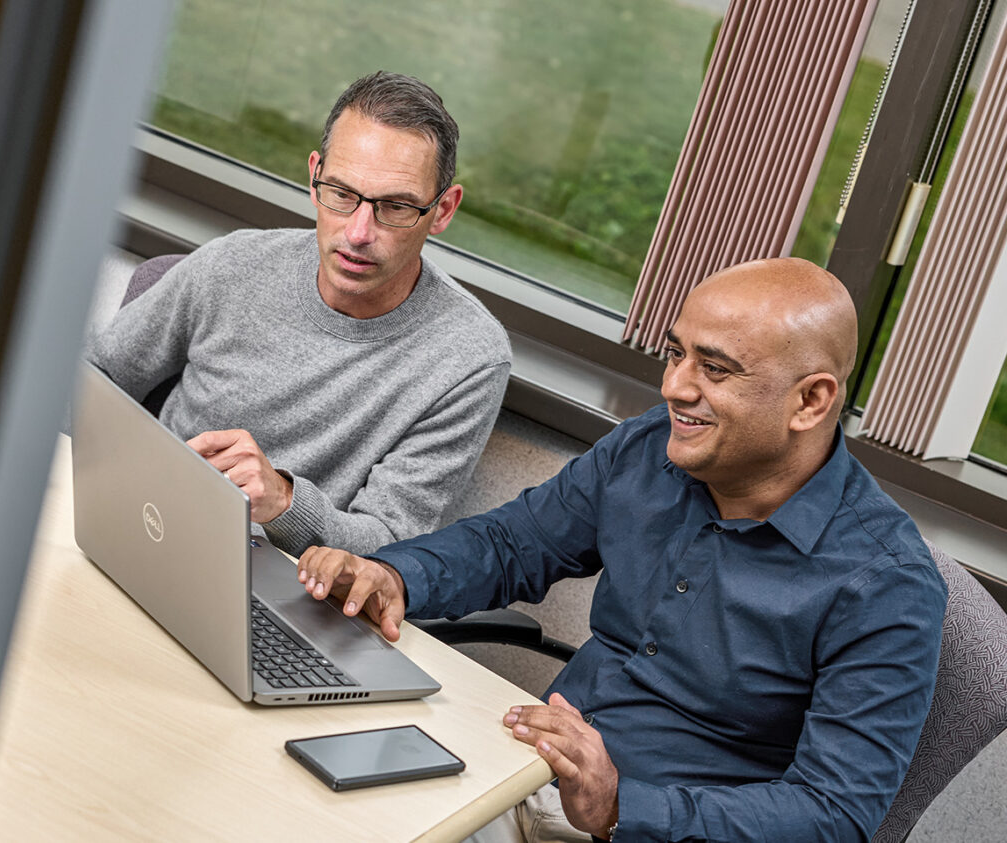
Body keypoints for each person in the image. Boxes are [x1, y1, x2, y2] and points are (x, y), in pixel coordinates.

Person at [295, 257, 947, 842]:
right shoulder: (645, 448)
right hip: (522, 776)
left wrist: (618, 805)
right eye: (676, 354)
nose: (674, 387)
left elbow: (832, 813)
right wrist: (393, 575)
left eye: (715, 369)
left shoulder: (885, 584)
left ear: (810, 400)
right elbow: (513, 543)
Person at [88, 71, 511, 558]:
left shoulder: (469, 359)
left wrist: (284, 501)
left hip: (289, 588)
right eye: (341, 193)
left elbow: (389, 549)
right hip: (149, 523)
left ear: (442, 210)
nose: (357, 232)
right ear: (314, 176)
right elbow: (96, 373)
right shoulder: (234, 263)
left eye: (395, 207)